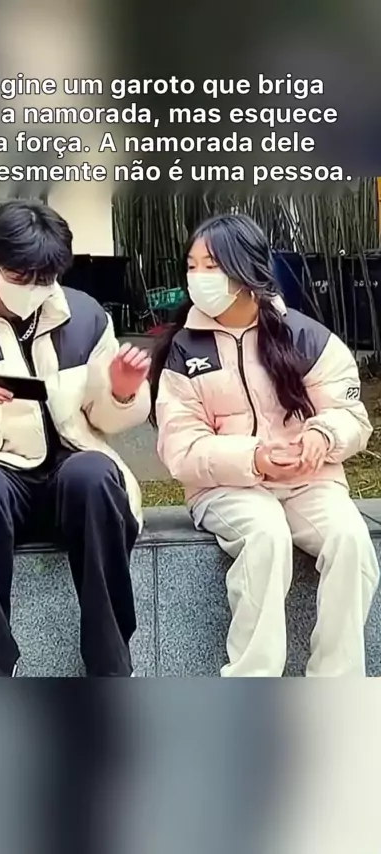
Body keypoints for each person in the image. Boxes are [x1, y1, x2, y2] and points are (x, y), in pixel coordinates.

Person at [0, 200, 151, 677]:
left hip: (72, 469)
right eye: (21, 276)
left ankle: (111, 665)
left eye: (46, 278)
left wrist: (121, 391)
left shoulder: (85, 316)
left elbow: (104, 419)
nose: (34, 289)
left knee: (96, 474)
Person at [150, 213, 380, 677]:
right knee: (266, 535)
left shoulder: (306, 336)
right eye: (192, 266)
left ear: (245, 269)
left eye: (211, 266)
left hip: (308, 482)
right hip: (226, 487)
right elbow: (181, 447)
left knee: (351, 541)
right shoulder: (185, 349)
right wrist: (252, 457)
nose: (198, 278)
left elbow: (352, 416)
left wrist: (321, 435)